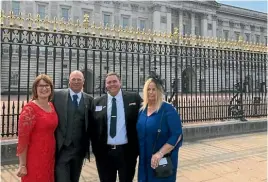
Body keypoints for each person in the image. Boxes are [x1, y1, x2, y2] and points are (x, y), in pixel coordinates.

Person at [91, 72, 142, 182]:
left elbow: (148, 112)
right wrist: (96, 150)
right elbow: (92, 127)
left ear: (120, 83)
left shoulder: (134, 98)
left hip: (127, 152)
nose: (112, 84)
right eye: (109, 82)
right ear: (105, 85)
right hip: (104, 153)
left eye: (115, 81)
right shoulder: (97, 102)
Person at [136, 75, 183, 182]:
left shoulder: (168, 109)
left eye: (154, 89)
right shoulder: (142, 110)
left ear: (159, 91)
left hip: (161, 160)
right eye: (148, 89)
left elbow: (177, 134)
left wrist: (160, 153)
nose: (151, 92)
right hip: (144, 159)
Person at [52, 70, 93, 182]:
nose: (76, 82)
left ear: (83, 82)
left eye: (79, 79)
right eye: (73, 79)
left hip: (79, 150)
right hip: (62, 148)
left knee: (75, 179)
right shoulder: (57, 95)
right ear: (69, 81)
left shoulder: (89, 100)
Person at [16, 74, 58, 182]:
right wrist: (23, 164)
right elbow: (23, 139)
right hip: (34, 156)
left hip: (49, 155)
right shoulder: (29, 109)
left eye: (47, 85)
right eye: (40, 86)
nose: (44, 88)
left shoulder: (51, 106)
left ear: (51, 88)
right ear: (35, 89)